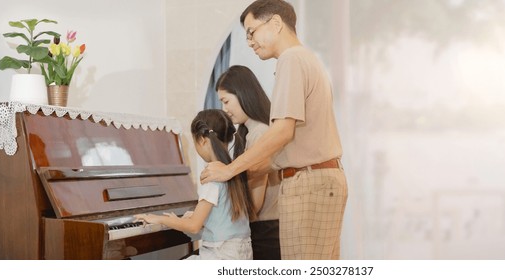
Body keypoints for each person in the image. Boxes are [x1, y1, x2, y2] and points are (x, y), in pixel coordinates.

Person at [200, 0, 348, 260]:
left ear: (276, 23)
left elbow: (282, 132)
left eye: (251, 31)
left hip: (307, 184)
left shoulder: (291, 59)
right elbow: (296, 141)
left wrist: (229, 170)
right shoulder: (305, 59)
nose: (249, 41)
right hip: (318, 180)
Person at [135, 109, 256, 260]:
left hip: (219, 256)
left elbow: (194, 226)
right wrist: (182, 219)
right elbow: (224, 214)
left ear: (202, 140)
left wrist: (159, 219)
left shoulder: (211, 175)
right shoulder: (232, 171)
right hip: (241, 255)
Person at [215, 65, 281, 260]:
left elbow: (255, 204)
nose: (224, 110)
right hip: (268, 229)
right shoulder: (252, 131)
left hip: (265, 232)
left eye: (226, 101)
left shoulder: (259, 133)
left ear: (243, 94)